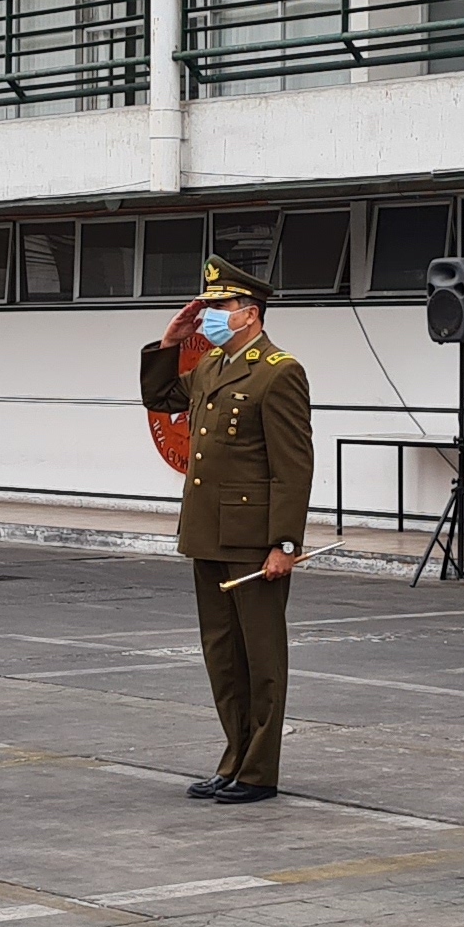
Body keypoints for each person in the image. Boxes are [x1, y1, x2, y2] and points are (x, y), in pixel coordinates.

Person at [140, 255, 314, 804]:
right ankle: (233, 758)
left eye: (221, 306)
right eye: (209, 306)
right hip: (209, 533)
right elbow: (162, 397)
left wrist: (284, 543)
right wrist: (170, 341)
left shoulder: (279, 370)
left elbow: (293, 466)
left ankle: (259, 771)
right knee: (222, 656)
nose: (211, 314)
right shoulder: (213, 365)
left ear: (251, 313)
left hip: (253, 539)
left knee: (261, 659)